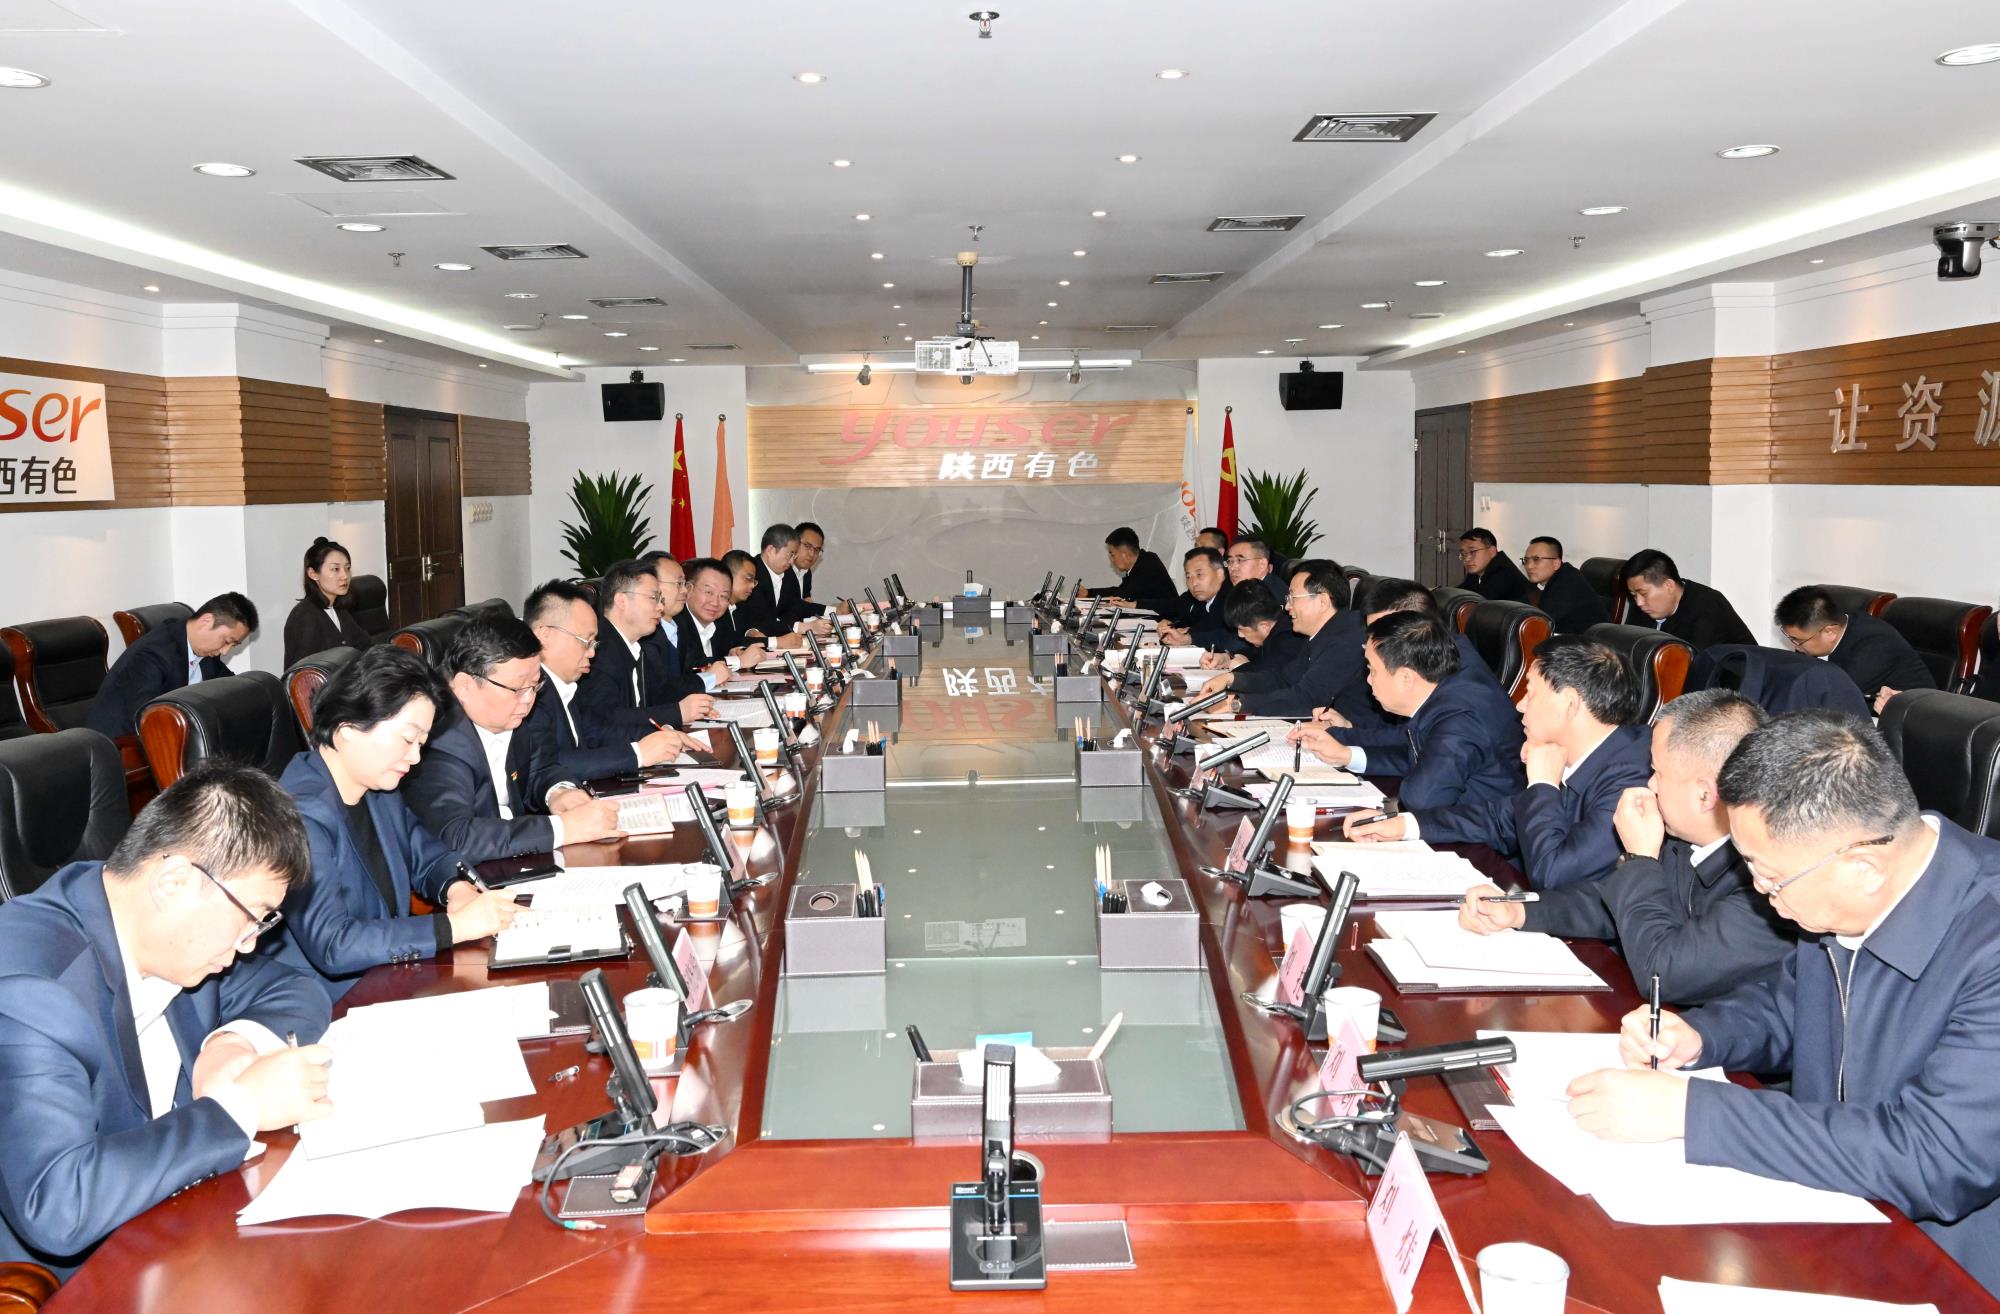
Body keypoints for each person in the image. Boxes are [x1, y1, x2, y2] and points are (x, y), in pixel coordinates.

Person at [1565, 712, 2000, 1298]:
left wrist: (1691, 1113)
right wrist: (1701, 1035)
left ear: (1864, 868)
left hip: (1949, 1272)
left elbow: (1934, 1156)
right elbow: (1789, 1005)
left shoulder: (1988, 942)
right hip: (1832, 1216)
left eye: (1770, 879)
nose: (1761, 894)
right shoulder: (1844, 891)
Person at [0, 762, 334, 1278]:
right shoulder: (32, 989)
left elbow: (296, 987)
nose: (249, 944)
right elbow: (59, 1203)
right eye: (252, 916)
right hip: (73, 1280)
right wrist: (241, 1106)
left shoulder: (164, 933)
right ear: (174, 882)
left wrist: (231, 1043)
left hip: (174, 1224)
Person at [1459, 689, 1795, 1004]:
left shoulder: (1766, 883)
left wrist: (1640, 858)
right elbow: (1610, 902)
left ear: (1706, 794)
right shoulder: (1687, 842)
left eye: (1657, 772)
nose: (1650, 784)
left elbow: (1661, 975)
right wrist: (1519, 910)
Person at [271, 646, 521, 999]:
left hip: (390, 978)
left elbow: (427, 856)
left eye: (421, 743)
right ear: (347, 728)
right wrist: (452, 927)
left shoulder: (377, 788)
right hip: (328, 1002)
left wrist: (457, 889)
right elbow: (335, 945)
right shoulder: (298, 815)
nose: (415, 757)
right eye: (407, 738)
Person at [1349, 636, 1651, 890]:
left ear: (1569, 704)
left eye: (1531, 693)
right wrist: (1405, 824)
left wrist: (1543, 784)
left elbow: (1553, 874)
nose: (1520, 705)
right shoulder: (1585, 753)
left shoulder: (1631, 779)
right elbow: (1497, 819)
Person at [401, 616, 624, 862]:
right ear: (464, 685)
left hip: (511, 857)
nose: (528, 700)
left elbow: (539, 767)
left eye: (535, 685)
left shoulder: (508, 713)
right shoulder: (436, 737)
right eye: (518, 689)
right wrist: (562, 828)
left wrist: (559, 792)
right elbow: (457, 838)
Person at [1289, 611, 1524, 811]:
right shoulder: (1442, 692)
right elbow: (1418, 757)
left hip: (1480, 844)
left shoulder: (1458, 719)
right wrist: (1347, 756)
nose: (1368, 680)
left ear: (1406, 678)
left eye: (1372, 670)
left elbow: (1421, 798)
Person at [523, 579, 689, 782]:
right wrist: (638, 754)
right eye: (585, 641)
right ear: (544, 635)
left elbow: (596, 731)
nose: (592, 653)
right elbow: (548, 765)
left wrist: (661, 736)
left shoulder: (564, 683)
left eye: (594, 643)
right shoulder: (528, 693)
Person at [1201, 560, 1374, 724]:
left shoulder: (1346, 640)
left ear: (1322, 601)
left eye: (1293, 597)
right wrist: (1231, 679)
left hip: (1357, 737)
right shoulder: (1323, 633)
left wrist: (1236, 704)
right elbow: (1283, 680)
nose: (1288, 607)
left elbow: (1307, 699)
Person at [86, 592, 258, 740]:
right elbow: (148, 720)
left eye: (233, 645)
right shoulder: (153, 654)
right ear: (206, 621)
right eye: (227, 641)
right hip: (122, 748)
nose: (225, 651)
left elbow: (231, 688)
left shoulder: (206, 651)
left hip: (171, 737)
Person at [577, 558, 716, 736]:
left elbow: (655, 698)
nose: (660, 607)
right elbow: (603, 722)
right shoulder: (598, 651)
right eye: (653, 598)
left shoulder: (637, 646)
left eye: (660, 599)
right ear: (622, 600)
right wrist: (678, 712)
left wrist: (674, 723)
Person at [1773, 585, 1934, 704]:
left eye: (1797, 640)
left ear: (1829, 632)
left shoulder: (1874, 646)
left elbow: (1828, 698)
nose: (1796, 646)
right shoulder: (1826, 630)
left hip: (1912, 721)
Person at [1621, 549, 1756, 650]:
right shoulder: (1641, 606)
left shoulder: (1706, 607)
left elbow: (1689, 667)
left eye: (1643, 594)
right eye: (1633, 595)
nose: (1639, 602)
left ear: (1669, 586)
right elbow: (1627, 649)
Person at [637, 552, 729, 697]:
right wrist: (709, 678)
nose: (685, 591)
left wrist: (719, 668)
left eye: (684, 583)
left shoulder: (676, 625)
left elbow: (695, 663)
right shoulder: (644, 634)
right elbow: (660, 692)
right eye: (678, 583)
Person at [281, 536, 372, 670]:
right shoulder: (304, 616)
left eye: (347, 568)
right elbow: (303, 675)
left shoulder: (338, 608)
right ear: (313, 574)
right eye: (335, 569)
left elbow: (364, 645)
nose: (345, 576)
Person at [1197, 586, 1303, 676]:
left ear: (1264, 626)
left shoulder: (1289, 641)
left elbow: (1270, 680)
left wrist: (1243, 668)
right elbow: (1256, 653)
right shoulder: (1274, 630)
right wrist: (1226, 658)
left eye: (1241, 629)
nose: (1240, 635)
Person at [677, 557, 762, 667]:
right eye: (709, 592)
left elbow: (734, 644)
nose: (715, 603)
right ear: (688, 590)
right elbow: (691, 665)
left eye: (723, 596)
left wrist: (734, 653)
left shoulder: (720, 623)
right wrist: (738, 661)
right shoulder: (676, 624)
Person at [1521, 536, 1610, 634]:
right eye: (1526, 560)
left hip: (1589, 642)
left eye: (1536, 559)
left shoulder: (1570, 582)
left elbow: (1539, 623)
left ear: (1556, 564)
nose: (1529, 566)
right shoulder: (1551, 579)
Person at [1082, 527, 1176, 610]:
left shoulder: (1148, 564)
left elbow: (1125, 596)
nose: (1112, 560)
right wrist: (1088, 593)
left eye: (1112, 555)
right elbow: (1120, 591)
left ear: (1124, 554)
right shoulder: (1140, 563)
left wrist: (1091, 595)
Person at [1157, 546, 1233, 649]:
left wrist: (1188, 636)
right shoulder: (1203, 601)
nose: (1194, 583)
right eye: (1188, 577)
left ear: (1220, 574)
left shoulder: (1232, 598)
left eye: (1199, 574)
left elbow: (1224, 635)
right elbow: (1190, 622)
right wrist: (1170, 626)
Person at [1457, 527, 1537, 604]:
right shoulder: (1476, 572)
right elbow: (1459, 593)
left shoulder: (1504, 573)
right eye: (1463, 554)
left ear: (1492, 552)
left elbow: (1477, 604)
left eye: (1473, 551)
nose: (1467, 559)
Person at [1223, 535, 1287, 605]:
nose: (1233, 568)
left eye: (1240, 560)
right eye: (1230, 561)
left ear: (1262, 564)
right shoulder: (1244, 588)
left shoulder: (1271, 598)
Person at [793, 521, 828, 619]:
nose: (812, 554)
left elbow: (806, 604)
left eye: (817, 550)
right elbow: (793, 605)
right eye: (807, 546)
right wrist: (835, 610)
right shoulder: (781, 570)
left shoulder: (806, 572)